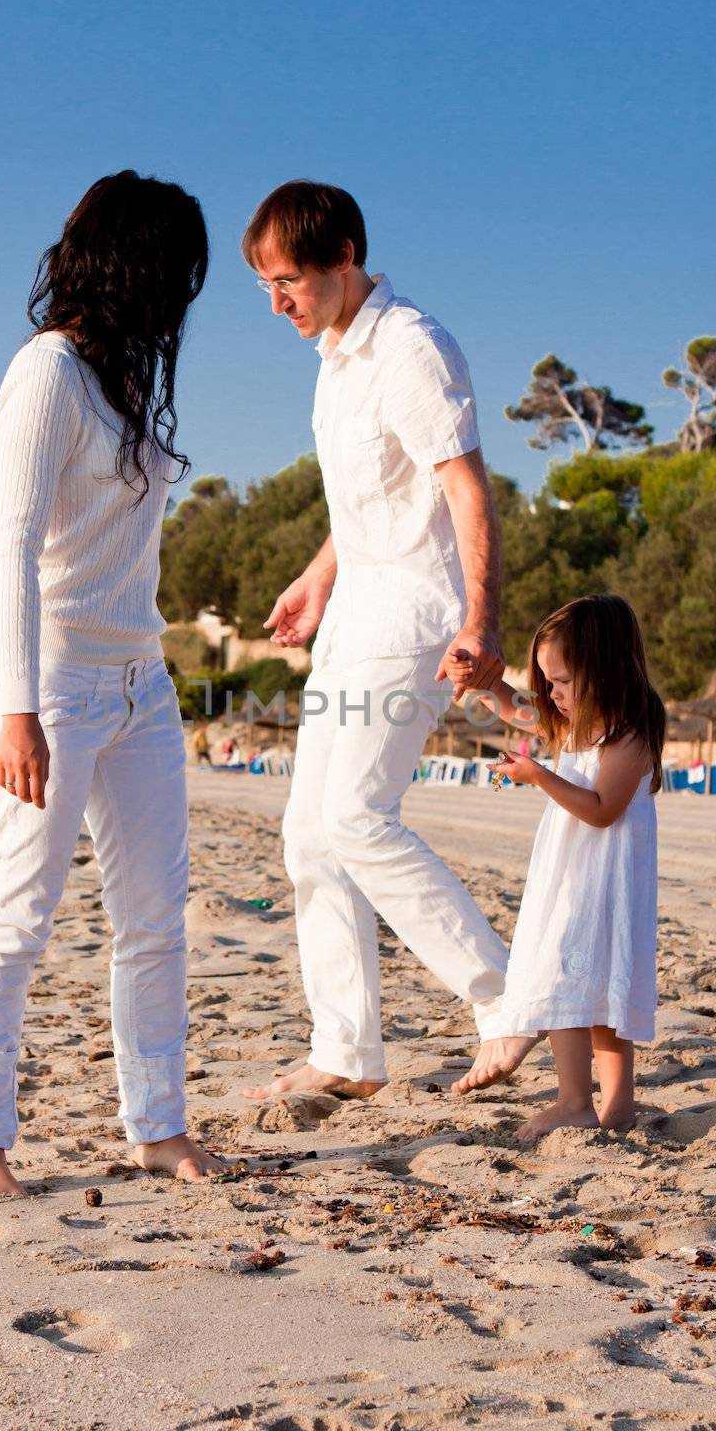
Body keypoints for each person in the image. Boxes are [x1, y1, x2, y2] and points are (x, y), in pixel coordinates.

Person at [0, 171, 221, 1196]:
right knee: (17, 913)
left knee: (154, 917)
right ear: (128, 261)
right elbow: (7, 545)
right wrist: (14, 706)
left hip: (141, 681)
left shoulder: (123, 380)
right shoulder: (47, 372)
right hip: (49, 682)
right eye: (173, 268)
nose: (181, 293)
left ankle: (156, 1126)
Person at [238, 180, 511, 1104]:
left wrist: (482, 624)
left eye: (290, 282)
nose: (278, 303)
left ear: (344, 256)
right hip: (355, 613)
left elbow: (465, 489)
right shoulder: (333, 355)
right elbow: (367, 496)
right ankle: (346, 1051)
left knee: (357, 816)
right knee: (310, 834)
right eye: (266, 286)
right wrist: (320, 576)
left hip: (414, 619)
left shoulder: (411, 348)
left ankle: (508, 998)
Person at [451, 594, 664, 1139]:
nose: (551, 694)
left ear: (604, 668)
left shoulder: (627, 735)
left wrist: (539, 776)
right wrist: (481, 681)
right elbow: (514, 705)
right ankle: (616, 1113)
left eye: (562, 680)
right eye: (547, 681)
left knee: (574, 986)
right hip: (573, 876)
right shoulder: (576, 723)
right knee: (589, 990)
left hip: (600, 884)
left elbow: (601, 810)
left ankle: (579, 1102)